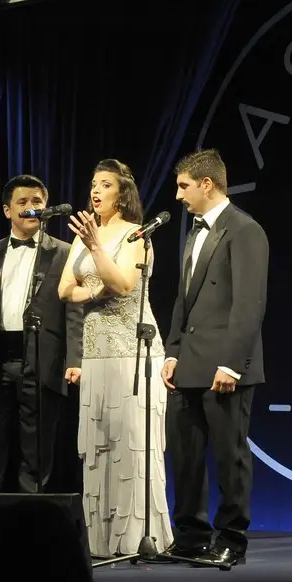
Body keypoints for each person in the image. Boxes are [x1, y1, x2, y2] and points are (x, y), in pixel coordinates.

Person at [59, 159, 174, 558]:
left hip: (131, 348)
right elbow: (64, 290)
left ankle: (138, 536)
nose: (96, 191)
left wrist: (95, 249)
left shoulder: (135, 235)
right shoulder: (85, 233)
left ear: (122, 193)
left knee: (130, 442)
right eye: (93, 184)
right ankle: (102, 540)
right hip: (95, 349)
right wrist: (93, 291)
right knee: (100, 444)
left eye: (105, 184)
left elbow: (123, 285)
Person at [160, 148, 269, 568]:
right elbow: (183, 300)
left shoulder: (245, 230)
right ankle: (190, 536)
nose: (178, 195)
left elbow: (248, 305)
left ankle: (231, 539)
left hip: (225, 368)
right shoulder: (194, 233)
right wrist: (172, 352)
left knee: (229, 457)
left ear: (207, 184)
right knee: (185, 456)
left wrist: (231, 364)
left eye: (183, 186)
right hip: (189, 365)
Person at [0, 174, 83, 494]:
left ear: (46, 207)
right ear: (7, 210)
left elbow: (73, 311)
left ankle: (32, 519)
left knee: (36, 452)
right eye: (22, 202)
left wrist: (74, 359)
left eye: (37, 201)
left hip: (42, 357)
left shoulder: (64, 252)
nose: (30, 207)